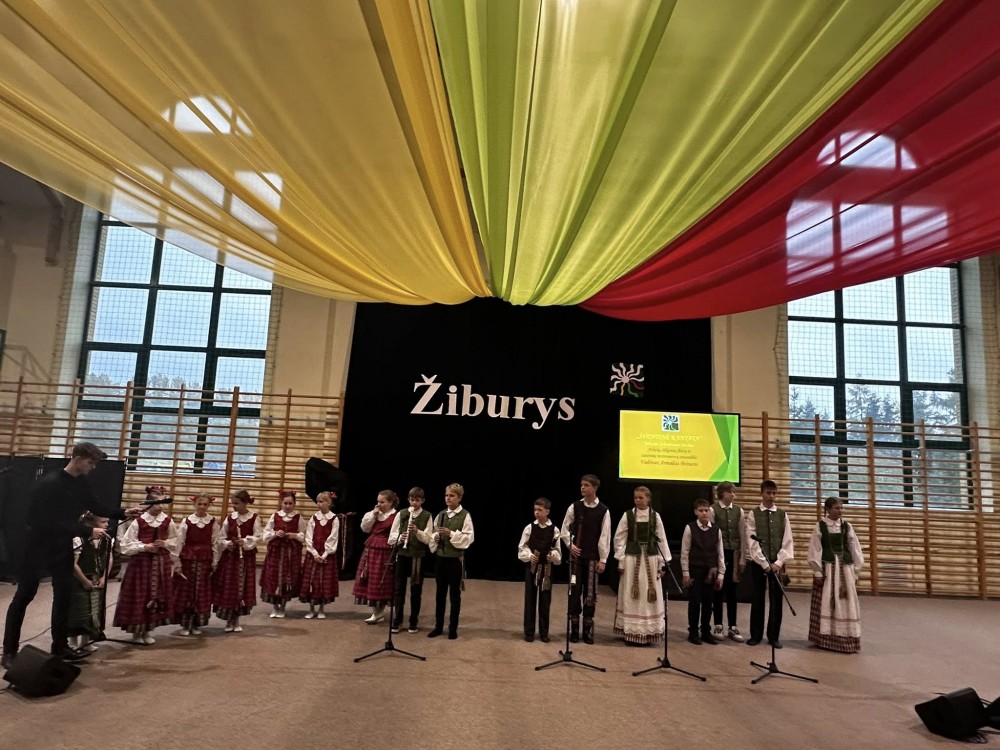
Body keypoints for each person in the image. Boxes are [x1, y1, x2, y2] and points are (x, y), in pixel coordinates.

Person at [2, 442, 140, 668]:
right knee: (25, 595)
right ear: (76, 458)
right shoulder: (49, 484)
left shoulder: (80, 483)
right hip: (36, 546)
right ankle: (9, 651)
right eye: (90, 462)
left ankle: (60, 646)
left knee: (64, 596)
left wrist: (124, 512)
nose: (93, 467)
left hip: (61, 546)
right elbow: (44, 522)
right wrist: (87, 531)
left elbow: (96, 506)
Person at [113, 496, 178, 644]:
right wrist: (144, 547)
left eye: (162, 503)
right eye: (157, 503)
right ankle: (136, 632)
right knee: (140, 595)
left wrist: (165, 543)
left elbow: (175, 540)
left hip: (160, 563)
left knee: (155, 594)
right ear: (149, 504)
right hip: (141, 564)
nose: (161, 506)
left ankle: (148, 630)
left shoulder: (167, 521)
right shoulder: (139, 521)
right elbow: (125, 545)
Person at [612, 486, 669, 646]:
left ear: (648, 499)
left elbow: (662, 539)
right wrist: (621, 558)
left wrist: (661, 563)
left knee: (648, 592)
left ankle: (648, 630)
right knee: (632, 591)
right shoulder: (628, 515)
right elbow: (619, 537)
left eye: (641, 498)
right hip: (632, 558)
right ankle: (631, 630)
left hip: (650, 559)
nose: (637, 500)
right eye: (635, 498)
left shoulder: (655, 516)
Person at [807, 497, 864, 653]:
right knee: (827, 601)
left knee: (845, 602)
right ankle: (825, 638)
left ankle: (846, 638)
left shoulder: (846, 526)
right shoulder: (820, 526)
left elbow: (855, 548)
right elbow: (815, 549)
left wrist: (856, 571)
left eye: (841, 508)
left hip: (845, 570)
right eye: (837, 508)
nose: (840, 511)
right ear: (828, 509)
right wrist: (817, 571)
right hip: (829, 569)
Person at [559, 474, 610, 644]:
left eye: (587, 485)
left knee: (590, 594)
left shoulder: (603, 510)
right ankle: (574, 628)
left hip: (592, 558)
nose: (583, 488)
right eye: (582, 485)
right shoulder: (575, 507)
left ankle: (587, 628)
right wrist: (570, 545)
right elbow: (564, 529)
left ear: (595, 488)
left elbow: (605, 536)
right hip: (576, 558)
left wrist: (603, 559)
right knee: (574, 591)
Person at [745, 479, 794, 648]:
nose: (771, 496)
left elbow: (787, 540)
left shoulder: (782, 515)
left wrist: (779, 562)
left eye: (774, 493)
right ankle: (756, 635)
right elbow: (752, 541)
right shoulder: (753, 514)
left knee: (776, 600)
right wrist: (764, 563)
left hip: (777, 563)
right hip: (759, 563)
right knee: (757, 598)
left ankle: (774, 636)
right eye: (768, 493)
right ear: (762, 493)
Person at [427, 483, 474, 640]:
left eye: (452, 495)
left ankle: (453, 628)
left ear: (459, 498)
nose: (448, 498)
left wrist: (452, 534)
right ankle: (438, 626)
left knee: (454, 595)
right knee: (440, 594)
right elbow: (433, 533)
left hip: (455, 560)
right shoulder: (441, 514)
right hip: (441, 558)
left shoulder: (464, 515)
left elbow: (468, 537)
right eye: (446, 495)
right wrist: (436, 537)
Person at [212, 489, 262, 633]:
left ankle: (237, 620)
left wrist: (245, 541)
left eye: (237, 503)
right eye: (232, 503)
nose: (234, 506)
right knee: (230, 587)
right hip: (230, 558)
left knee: (242, 588)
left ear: (245, 503)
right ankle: (229, 621)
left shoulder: (254, 518)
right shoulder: (230, 518)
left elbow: (258, 536)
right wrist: (227, 543)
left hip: (246, 558)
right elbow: (221, 537)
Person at [172, 494, 220, 636]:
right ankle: (185, 624)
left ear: (209, 505)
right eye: (199, 504)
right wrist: (177, 562)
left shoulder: (213, 522)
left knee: (201, 591)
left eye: (205, 504)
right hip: (188, 558)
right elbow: (180, 542)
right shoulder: (187, 521)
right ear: (195, 504)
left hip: (205, 559)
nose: (202, 507)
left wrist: (215, 561)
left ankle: (196, 624)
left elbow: (215, 543)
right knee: (187, 591)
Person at [388, 487, 433, 633]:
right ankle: (397, 619)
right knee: (398, 588)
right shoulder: (401, 514)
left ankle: (413, 621)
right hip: (402, 555)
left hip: (417, 556)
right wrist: (401, 538)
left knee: (416, 589)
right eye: (412, 500)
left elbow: (428, 539)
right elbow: (391, 537)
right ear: (408, 499)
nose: (414, 503)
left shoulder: (427, 516)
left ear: (422, 501)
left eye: (417, 500)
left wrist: (417, 531)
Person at [681, 498, 725, 645]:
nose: (704, 513)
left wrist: (721, 574)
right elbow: (685, 552)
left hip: (711, 571)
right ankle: (693, 632)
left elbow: (720, 553)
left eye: (706, 510)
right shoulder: (690, 528)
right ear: (696, 512)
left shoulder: (716, 530)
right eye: (701, 511)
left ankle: (706, 631)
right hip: (695, 569)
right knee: (695, 602)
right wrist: (686, 573)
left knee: (708, 603)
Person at [517, 497, 561, 643]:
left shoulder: (554, 530)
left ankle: (544, 632)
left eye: (540, 510)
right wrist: (529, 555)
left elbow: (557, 551)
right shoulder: (529, 528)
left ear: (547, 511)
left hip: (547, 570)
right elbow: (522, 546)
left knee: (545, 601)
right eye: (535, 509)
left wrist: (553, 556)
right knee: (530, 599)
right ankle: (529, 631)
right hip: (533, 568)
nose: (537, 512)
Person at [67, 514, 112, 653]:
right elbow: (73, 563)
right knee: (78, 611)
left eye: (107, 522)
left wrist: (104, 577)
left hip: (97, 578)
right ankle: (72, 642)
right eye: (103, 522)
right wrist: (84, 580)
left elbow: (109, 558)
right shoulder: (79, 539)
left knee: (93, 612)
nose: (107, 524)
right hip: (81, 578)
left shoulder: (106, 539)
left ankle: (85, 642)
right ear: (92, 524)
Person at [354, 490, 398, 623]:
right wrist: (373, 515)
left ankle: (379, 611)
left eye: (382, 502)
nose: (379, 504)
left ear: (391, 503)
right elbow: (365, 528)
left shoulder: (395, 516)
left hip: (385, 550)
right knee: (369, 577)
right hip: (371, 548)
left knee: (381, 579)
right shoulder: (373, 514)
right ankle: (376, 612)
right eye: (378, 501)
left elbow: (395, 534)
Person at [260, 489, 304, 618]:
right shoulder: (275, 516)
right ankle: (275, 607)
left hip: (291, 553)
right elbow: (265, 534)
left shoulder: (298, 518)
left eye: (290, 503)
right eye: (285, 503)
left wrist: (294, 535)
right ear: (281, 503)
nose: (288, 506)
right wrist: (275, 533)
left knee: (286, 579)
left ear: (294, 504)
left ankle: (283, 607)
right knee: (273, 577)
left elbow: (304, 534)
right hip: (276, 552)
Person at [711, 481, 746, 642]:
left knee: (732, 591)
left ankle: (733, 626)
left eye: (734, 492)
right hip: (720, 553)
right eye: (730, 492)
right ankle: (718, 624)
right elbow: (711, 534)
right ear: (722, 493)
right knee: (718, 589)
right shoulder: (713, 510)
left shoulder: (739, 511)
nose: (733, 495)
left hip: (734, 553)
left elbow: (742, 535)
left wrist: (743, 558)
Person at [299, 491, 340, 619]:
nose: (318, 504)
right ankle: (311, 608)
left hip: (326, 555)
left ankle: (321, 608)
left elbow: (333, 537)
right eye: (317, 501)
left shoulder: (334, 519)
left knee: (323, 582)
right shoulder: (314, 518)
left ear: (329, 503)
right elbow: (309, 536)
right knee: (312, 581)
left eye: (321, 501)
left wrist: (325, 554)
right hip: (314, 554)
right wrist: (315, 553)